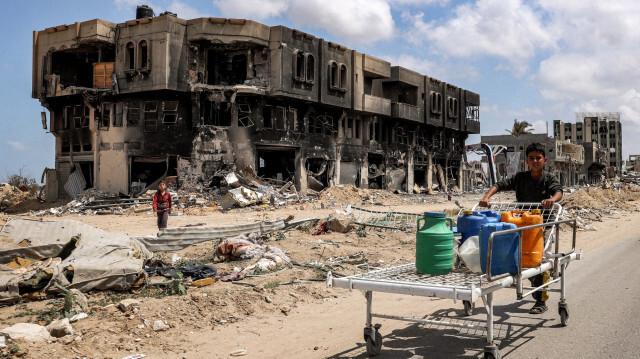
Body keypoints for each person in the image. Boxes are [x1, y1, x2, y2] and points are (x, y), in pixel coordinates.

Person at [479, 142, 563, 314]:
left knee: (536, 259)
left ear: (544, 160)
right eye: (531, 158)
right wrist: (486, 197)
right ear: (527, 161)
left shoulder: (548, 179)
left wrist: (552, 200)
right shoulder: (520, 178)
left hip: (542, 224)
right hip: (521, 223)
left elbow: (558, 191)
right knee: (517, 256)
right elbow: (500, 185)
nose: (535, 161)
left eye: (538, 158)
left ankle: (541, 301)